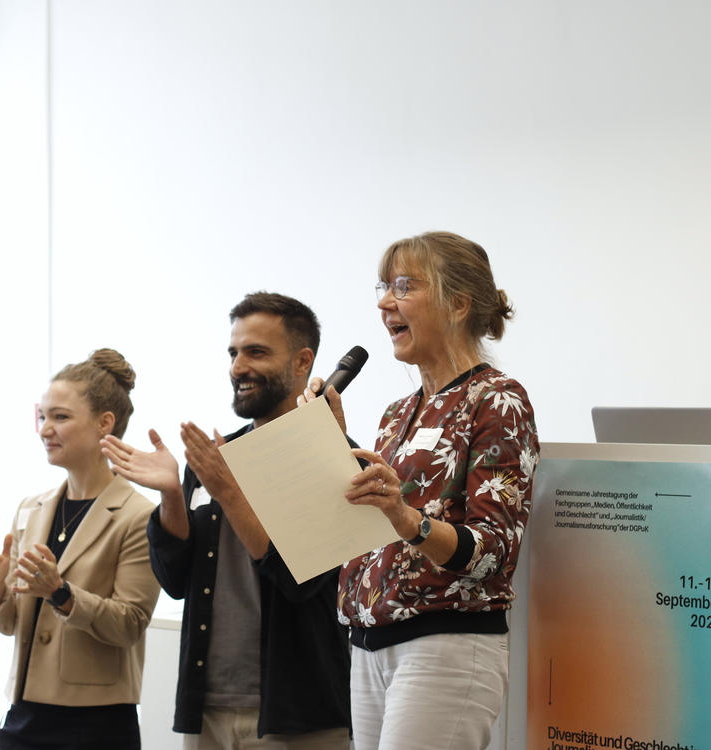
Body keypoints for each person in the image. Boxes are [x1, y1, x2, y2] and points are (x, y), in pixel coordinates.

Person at [307, 231, 540, 749]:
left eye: (404, 286)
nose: (384, 302)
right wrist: (326, 442)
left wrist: (408, 519)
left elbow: (494, 553)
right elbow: (379, 514)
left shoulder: (497, 401)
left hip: (444, 646)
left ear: (458, 303)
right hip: (368, 644)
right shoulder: (397, 414)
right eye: (383, 287)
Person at [100, 292, 352, 750]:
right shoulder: (213, 459)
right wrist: (172, 494)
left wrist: (228, 489)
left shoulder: (333, 456)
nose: (238, 367)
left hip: (298, 715)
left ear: (302, 361)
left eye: (256, 352)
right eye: (234, 353)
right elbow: (177, 581)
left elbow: (300, 582)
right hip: (208, 706)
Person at [0, 349, 161, 750]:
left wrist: (61, 593)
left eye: (60, 417)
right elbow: (12, 624)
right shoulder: (30, 510)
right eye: (43, 416)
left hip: (97, 725)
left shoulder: (138, 515)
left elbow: (130, 624)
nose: (44, 429)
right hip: (22, 717)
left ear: (105, 423)